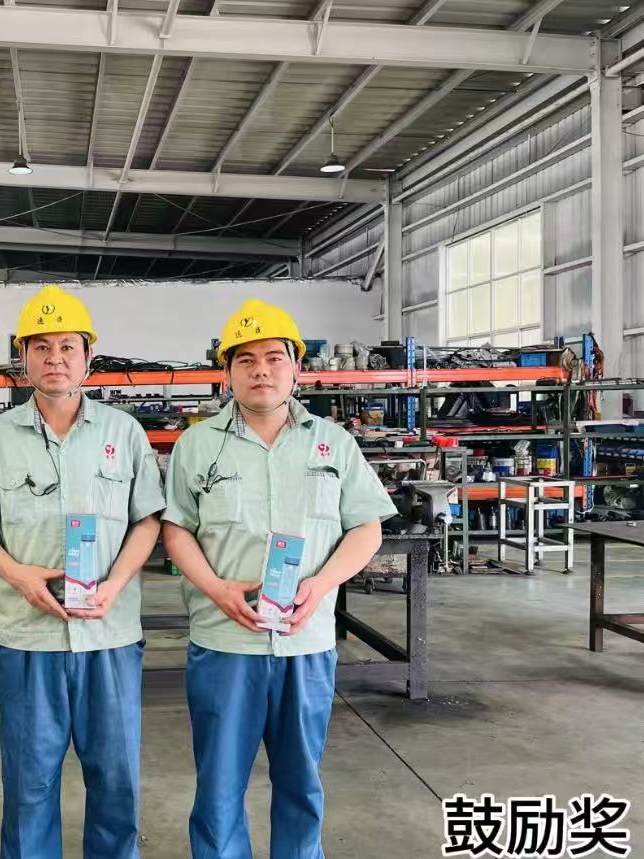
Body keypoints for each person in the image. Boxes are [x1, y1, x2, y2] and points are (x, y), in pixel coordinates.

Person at [161, 300, 397, 859]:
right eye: (245, 360)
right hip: (225, 642)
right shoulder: (198, 445)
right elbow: (176, 530)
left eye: (273, 357)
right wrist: (216, 589)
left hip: (305, 642)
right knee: (218, 787)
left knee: (300, 782)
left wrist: (322, 585)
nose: (261, 370)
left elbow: (366, 527)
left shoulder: (333, 442)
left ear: (297, 367)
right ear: (227, 372)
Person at [0, 285, 165, 859]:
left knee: (116, 780)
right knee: (29, 781)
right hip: (30, 638)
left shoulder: (124, 433)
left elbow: (148, 521)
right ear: (23, 359)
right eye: (40, 347)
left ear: (88, 356)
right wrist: (16, 574)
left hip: (110, 635)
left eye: (67, 346)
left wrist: (115, 585)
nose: (55, 358)